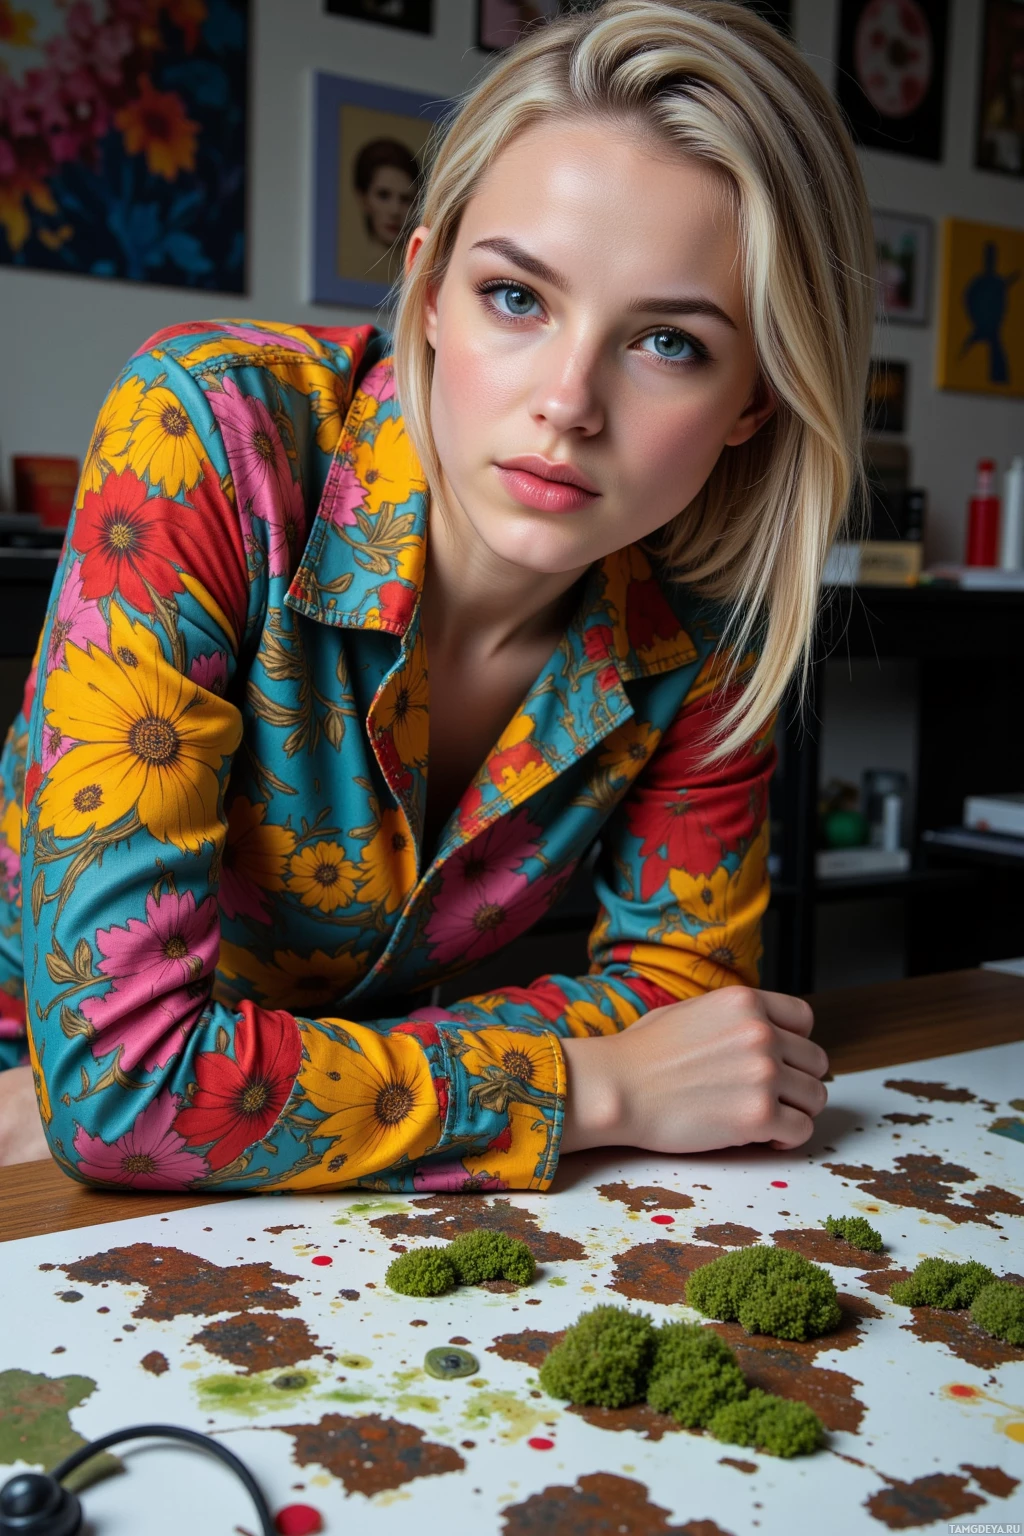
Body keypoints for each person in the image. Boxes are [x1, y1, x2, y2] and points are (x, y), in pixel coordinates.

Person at [0, 0, 874, 1185]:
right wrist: (594, 1084)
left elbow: (690, 1009)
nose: (567, 401)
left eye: (668, 342)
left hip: (306, 1182)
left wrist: (214, 1083)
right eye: (517, 297)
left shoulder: (711, 609)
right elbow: (117, 1091)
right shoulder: (209, 431)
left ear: (754, 401)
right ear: (426, 291)